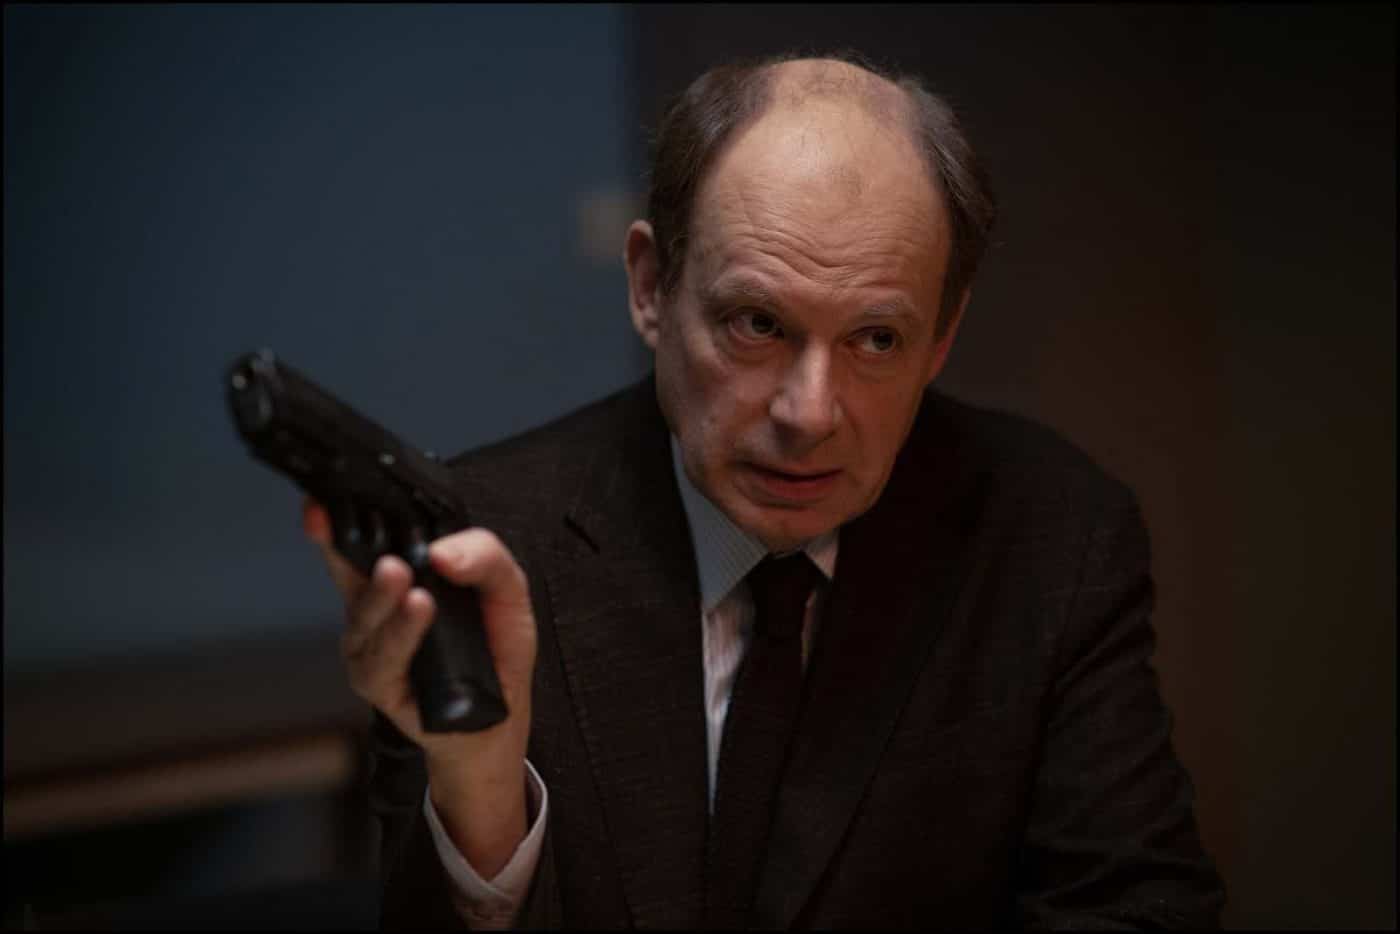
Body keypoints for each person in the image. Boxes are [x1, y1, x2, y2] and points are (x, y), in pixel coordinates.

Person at [304, 52, 1227, 929]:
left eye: (877, 340)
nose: (809, 413)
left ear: (942, 339)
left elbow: (1138, 905)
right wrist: (480, 784)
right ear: (651, 286)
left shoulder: (1054, 534)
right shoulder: (485, 542)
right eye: (757, 323)